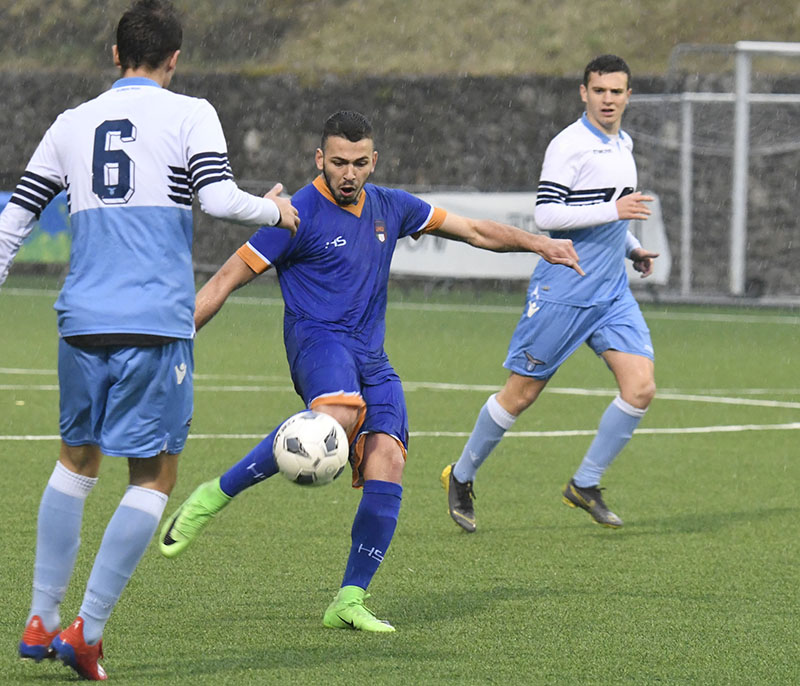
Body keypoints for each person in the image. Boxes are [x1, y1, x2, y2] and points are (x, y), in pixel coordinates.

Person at [158, 109, 583, 632]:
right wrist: (174, 340)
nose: (349, 173)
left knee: (389, 459)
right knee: (335, 413)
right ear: (320, 158)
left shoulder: (390, 206)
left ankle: (348, 599)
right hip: (318, 342)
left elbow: (472, 230)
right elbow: (225, 279)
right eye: (338, 162)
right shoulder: (293, 214)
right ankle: (212, 496)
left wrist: (540, 244)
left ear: (373, 161)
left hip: (372, 356)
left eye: (360, 162)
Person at [1, 1, 298, 680]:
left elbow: (14, 221)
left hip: (81, 320)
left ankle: (41, 616)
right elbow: (220, 201)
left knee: (74, 463)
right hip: (154, 323)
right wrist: (277, 210)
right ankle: (87, 632)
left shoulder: (70, 124)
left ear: (114, 55)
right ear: (174, 59)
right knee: (154, 475)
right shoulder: (190, 112)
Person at [441, 54, 659, 533]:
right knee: (520, 396)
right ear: (584, 93)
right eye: (599, 90)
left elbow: (608, 216)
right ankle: (461, 475)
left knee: (640, 387)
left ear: (628, 96)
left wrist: (633, 248)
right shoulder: (569, 145)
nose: (607, 99)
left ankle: (585, 483)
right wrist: (614, 210)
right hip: (564, 290)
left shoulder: (624, 143)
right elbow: (548, 215)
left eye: (616, 91)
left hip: (611, 295)